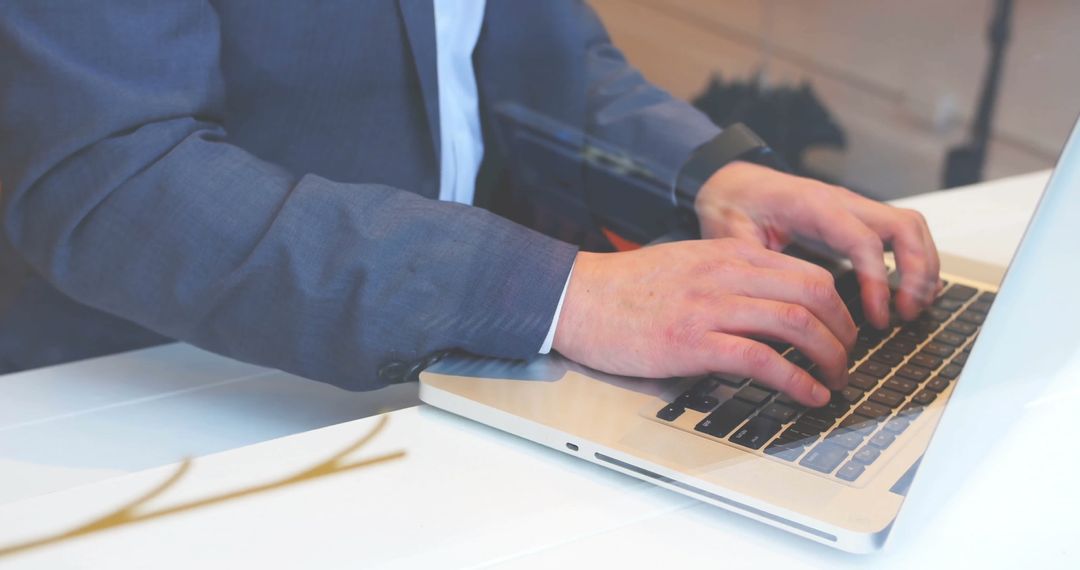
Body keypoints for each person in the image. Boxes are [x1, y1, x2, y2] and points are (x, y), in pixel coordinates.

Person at [0, 1, 938, 408]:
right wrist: (554, 293)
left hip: (441, 373)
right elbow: (115, 178)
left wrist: (706, 177)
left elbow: (528, 52)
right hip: (153, 397)